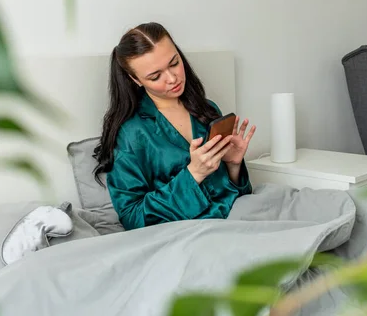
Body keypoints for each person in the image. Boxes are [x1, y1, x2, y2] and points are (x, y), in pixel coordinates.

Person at [94, 23, 256, 230]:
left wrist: (233, 165)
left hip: (239, 218)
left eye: (174, 63)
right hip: (190, 233)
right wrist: (194, 174)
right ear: (135, 79)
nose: (172, 78)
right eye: (155, 76)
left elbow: (234, 194)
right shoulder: (131, 133)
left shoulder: (206, 109)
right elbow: (132, 217)